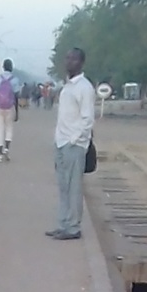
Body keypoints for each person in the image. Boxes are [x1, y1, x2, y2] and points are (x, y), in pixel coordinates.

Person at [46, 48, 95, 240]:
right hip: (61, 142)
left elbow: (87, 119)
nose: (69, 62)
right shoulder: (67, 86)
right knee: (63, 186)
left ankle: (73, 227)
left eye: (73, 59)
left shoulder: (84, 87)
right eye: (67, 58)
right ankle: (63, 223)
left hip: (74, 145)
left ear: (81, 63)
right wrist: (59, 139)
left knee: (74, 187)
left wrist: (76, 140)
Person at [0, 59, 20, 162]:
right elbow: (16, 96)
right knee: (9, 128)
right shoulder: (15, 80)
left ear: (3, 67)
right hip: (9, 107)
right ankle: (6, 149)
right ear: (11, 67)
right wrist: (17, 111)